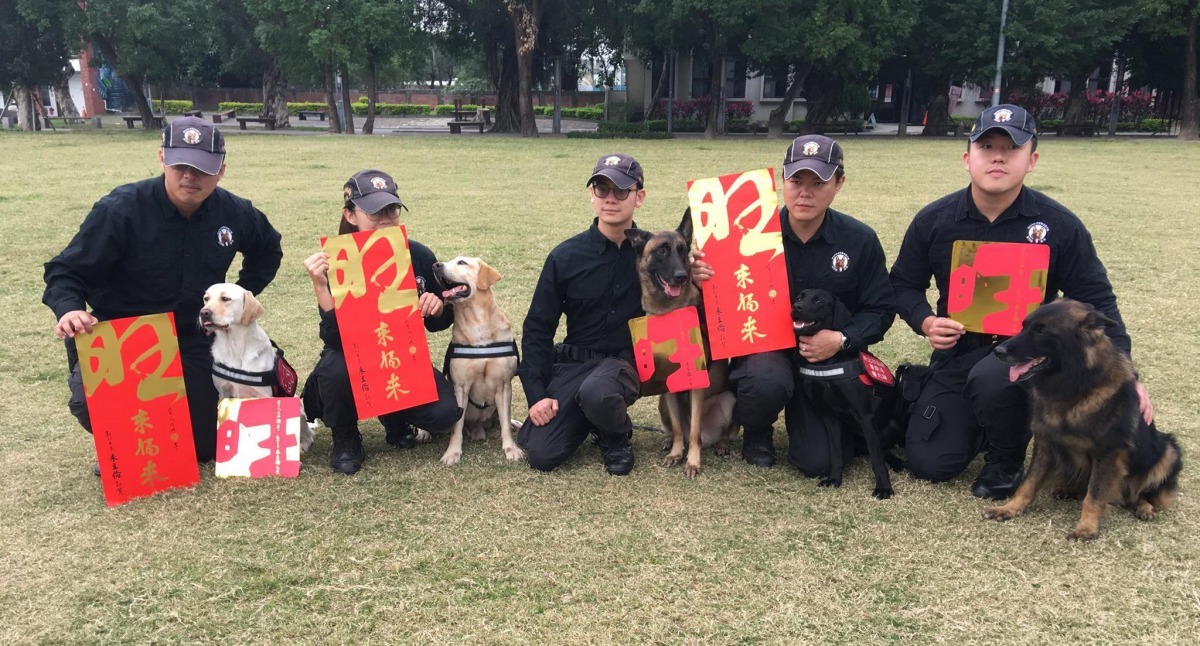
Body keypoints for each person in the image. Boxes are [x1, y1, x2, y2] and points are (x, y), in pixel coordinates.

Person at [888, 103, 1154, 499]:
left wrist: (1127, 375)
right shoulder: (935, 220)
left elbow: (1099, 303)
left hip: (1030, 359)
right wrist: (926, 321)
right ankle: (978, 424)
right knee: (930, 464)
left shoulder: (1059, 225)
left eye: (1011, 148)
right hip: (957, 355)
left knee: (992, 379)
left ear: (1031, 160)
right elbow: (902, 285)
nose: (998, 156)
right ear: (967, 158)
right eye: (987, 146)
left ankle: (1006, 459)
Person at [44, 116, 284, 465]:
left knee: (206, 448)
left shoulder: (235, 212)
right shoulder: (121, 209)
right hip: (125, 337)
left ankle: (150, 432)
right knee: (91, 405)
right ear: (162, 159)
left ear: (221, 170)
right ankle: (121, 438)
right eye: (181, 166)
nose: (190, 176)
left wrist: (237, 300)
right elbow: (65, 270)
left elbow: (268, 250)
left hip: (193, 337)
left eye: (202, 168)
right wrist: (69, 309)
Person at [698, 135, 896, 474]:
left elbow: (880, 309)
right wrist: (702, 280)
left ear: (839, 184)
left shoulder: (859, 240)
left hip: (826, 360)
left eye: (818, 182)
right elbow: (718, 311)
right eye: (796, 181)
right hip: (766, 352)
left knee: (817, 463)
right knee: (764, 382)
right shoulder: (746, 234)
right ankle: (757, 431)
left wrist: (841, 339)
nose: (805, 192)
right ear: (782, 181)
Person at [301, 170, 462, 475]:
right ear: (350, 214)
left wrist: (439, 307)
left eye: (392, 209)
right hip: (352, 359)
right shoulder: (336, 261)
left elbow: (440, 324)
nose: (386, 219)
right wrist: (321, 287)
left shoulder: (416, 253)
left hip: (401, 358)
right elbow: (335, 338)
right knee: (335, 366)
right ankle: (345, 436)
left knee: (444, 415)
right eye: (375, 212)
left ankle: (393, 414)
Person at [516, 153, 647, 475]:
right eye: (602, 189)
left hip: (625, 363)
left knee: (598, 392)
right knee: (541, 454)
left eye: (621, 191)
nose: (611, 199)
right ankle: (594, 416)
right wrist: (537, 395)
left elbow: (684, 295)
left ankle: (615, 436)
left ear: (639, 197)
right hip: (575, 365)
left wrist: (695, 274)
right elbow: (537, 328)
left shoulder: (657, 252)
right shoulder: (566, 257)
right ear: (591, 194)